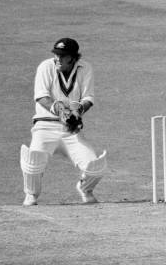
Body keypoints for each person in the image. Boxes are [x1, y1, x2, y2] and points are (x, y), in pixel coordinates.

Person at [20, 38, 107, 206]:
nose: (58, 59)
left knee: (96, 167)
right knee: (33, 161)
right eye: (56, 55)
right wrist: (61, 112)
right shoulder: (46, 67)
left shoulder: (85, 68)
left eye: (62, 56)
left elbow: (88, 97)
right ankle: (31, 195)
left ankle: (85, 189)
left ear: (73, 58)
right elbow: (41, 96)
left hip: (71, 130)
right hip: (44, 127)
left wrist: (77, 112)